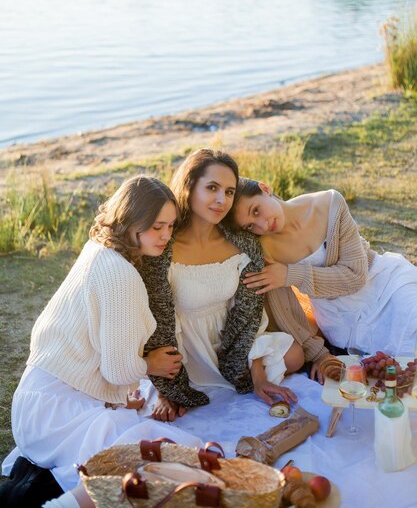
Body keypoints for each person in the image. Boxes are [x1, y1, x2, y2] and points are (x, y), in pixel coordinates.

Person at [0, 176, 202, 508]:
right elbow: (119, 370)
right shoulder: (120, 273)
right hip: (54, 415)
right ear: (131, 221)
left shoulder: (99, 249)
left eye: (170, 226)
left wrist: (119, 400)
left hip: (35, 405)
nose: (166, 235)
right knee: (169, 455)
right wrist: (150, 364)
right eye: (156, 226)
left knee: (152, 450)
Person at [140, 149, 302, 422]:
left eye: (228, 192)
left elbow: (249, 315)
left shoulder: (242, 244)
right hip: (187, 350)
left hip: (231, 344)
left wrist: (258, 375)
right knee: (187, 401)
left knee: (296, 354)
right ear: (190, 187)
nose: (221, 200)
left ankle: (246, 370)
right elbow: (155, 320)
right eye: (212, 188)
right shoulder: (163, 244)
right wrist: (165, 389)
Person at [231, 180, 417, 359]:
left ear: (265, 188)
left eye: (256, 211)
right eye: (250, 226)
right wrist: (318, 353)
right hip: (342, 317)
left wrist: (290, 275)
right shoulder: (264, 250)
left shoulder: (329, 203)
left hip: (382, 282)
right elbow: (284, 312)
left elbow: (356, 276)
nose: (262, 225)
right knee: (399, 363)